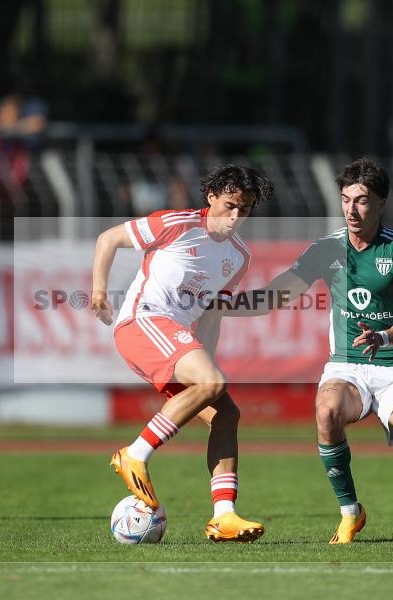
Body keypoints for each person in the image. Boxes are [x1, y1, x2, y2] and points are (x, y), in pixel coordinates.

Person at [224, 157, 393, 544]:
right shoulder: (327, 249)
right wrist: (227, 304)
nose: (351, 209)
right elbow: (279, 293)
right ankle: (350, 514)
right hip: (347, 366)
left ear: (381, 204)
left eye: (361, 200)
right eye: (345, 200)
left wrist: (383, 336)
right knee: (326, 412)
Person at [91, 164, 273, 542]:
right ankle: (134, 454)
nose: (237, 217)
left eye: (246, 209)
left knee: (226, 413)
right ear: (211, 198)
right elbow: (107, 239)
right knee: (213, 384)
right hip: (142, 324)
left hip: (176, 338)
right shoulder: (176, 223)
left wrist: (207, 365)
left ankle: (224, 517)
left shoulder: (239, 256)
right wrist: (98, 291)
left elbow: (212, 312)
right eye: (230, 206)